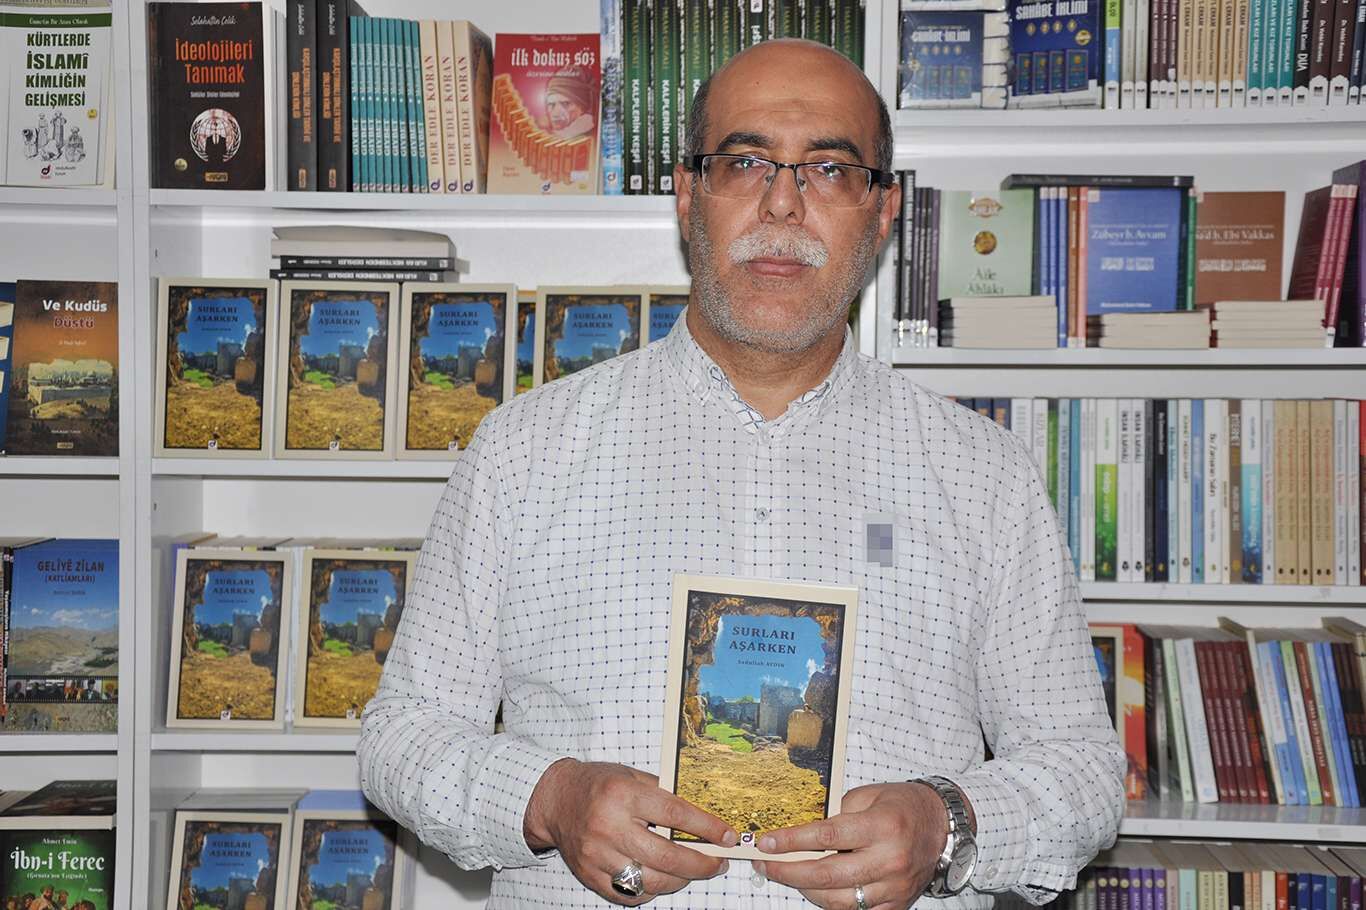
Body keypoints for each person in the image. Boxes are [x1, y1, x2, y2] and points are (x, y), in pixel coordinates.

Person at [359, 37, 1125, 910]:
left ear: (882, 212)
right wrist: (550, 800)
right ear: (689, 195)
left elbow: (1085, 769)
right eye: (746, 162)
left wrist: (947, 824)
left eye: (829, 169)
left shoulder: (985, 474)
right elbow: (400, 736)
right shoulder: (523, 452)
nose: (783, 203)